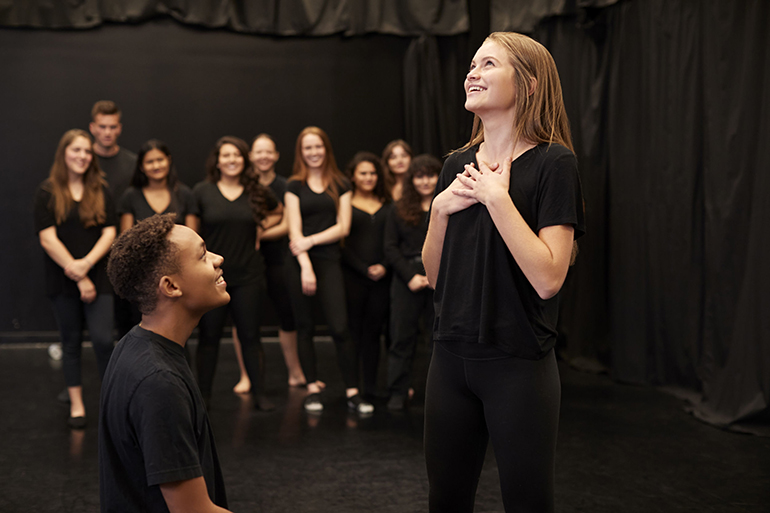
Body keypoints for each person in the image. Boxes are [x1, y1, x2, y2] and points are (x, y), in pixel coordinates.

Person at [422, 32, 585, 512]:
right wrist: (438, 209)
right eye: (472, 64)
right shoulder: (456, 163)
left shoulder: (555, 163)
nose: (472, 72)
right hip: (449, 360)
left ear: (529, 84)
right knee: (445, 501)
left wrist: (496, 198)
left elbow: (549, 277)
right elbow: (435, 278)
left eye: (488, 64)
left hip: (518, 366)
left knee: (528, 502)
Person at [101, 214, 231, 512]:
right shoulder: (158, 382)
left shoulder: (134, 345)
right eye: (202, 255)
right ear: (170, 286)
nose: (217, 258)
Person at [284, 126, 373, 414]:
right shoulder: (293, 186)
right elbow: (294, 232)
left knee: (339, 326)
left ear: (326, 149)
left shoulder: (341, 184)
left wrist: (310, 242)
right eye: (308, 148)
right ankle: (312, 389)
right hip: (299, 263)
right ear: (301, 152)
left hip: (330, 260)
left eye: (318, 147)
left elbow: (343, 227)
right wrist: (306, 265)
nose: (313, 153)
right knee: (305, 327)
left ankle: (352, 391)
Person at [33, 129, 117, 428]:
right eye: (76, 150)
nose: (82, 156)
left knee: (104, 341)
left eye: (86, 151)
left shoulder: (101, 189)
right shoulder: (47, 192)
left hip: (99, 275)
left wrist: (87, 265)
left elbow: (110, 230)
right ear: (64, 154)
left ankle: (112, 406)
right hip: (63, 279)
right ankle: (77, 406)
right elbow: (47, 239)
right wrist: (78, 274)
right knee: (70, 343)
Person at [192, 136, 280, 411]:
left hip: (249, 276)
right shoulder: (202, 192)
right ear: (217, 161)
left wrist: (261, 230)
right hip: (212, 277)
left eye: (237, 155)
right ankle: (202, 397)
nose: (232, 160)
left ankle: (260, 394)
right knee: (209, 338)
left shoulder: (257, 191)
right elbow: (191, 234)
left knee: (251, 336)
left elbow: (278, 212)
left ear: (245, 160)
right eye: (226, 155)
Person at [116, 139, 198, 334]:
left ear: (168, 160)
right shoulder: (130, 196)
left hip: (178, 277)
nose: (156, 166)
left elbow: (194, 239)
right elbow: (125, 241)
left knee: (176, 334)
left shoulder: (185, 194)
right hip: (142, 280)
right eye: (150, 162)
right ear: (142, 167)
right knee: (140, 333)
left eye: (160, 160)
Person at [383, 155, 440, 410]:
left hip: (438, 278)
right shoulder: (398, 209)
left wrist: (434, 276)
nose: (425, 181)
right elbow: (390, 248)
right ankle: (397, 390)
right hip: (406, 279)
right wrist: (411, 277)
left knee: (437, 339)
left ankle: (436, 392)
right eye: (419, 176)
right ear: (411, 180)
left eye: (431, 175)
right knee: (401, 337)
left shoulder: (445, 207)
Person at [342, 152, 392, 400]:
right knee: (353, 332)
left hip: (382, 277)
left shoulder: (387, 203)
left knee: (374, 333)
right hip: (353, 277)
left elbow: (392, 242)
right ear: (353, 176)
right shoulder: (345, 203)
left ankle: (370, 388)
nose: (369, 177)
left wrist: (383, 265)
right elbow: (343, 244)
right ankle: (352, 387)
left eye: (373, 173)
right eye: (363, 173)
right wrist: (363, 268)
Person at [89, 100, 137, 209]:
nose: (107, 133)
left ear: (119, 128)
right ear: (92, 128)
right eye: (102, 127)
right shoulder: (83, 162)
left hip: (126, 223)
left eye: (112, 127)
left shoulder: (132, 163)